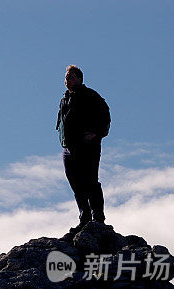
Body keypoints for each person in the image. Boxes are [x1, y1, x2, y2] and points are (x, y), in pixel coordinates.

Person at [56, 65, 111, 231]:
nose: (67, 81)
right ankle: (85, 217)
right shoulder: (65, 99)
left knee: (90, 181)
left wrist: (96, 133)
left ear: (79, 78)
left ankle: (98, 218)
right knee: (76, 184)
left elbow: (105, 117)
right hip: (69, 147)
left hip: (87, 146)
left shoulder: (90, 96)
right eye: (66, 78)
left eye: (71, 77)